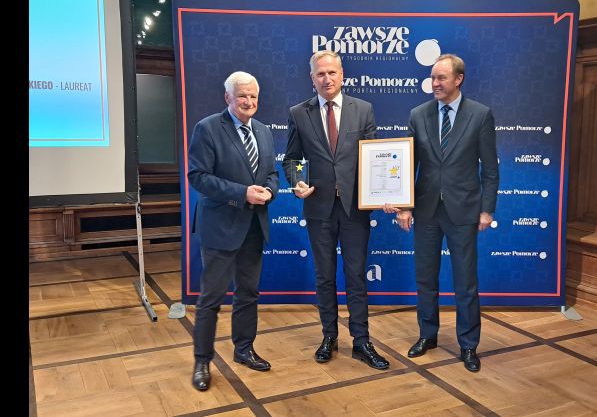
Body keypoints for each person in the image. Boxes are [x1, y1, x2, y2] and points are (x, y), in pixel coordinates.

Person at [384, 54, 499, 372]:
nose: (434, 83)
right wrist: (405, 205)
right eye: (432, 77)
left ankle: (468, 345)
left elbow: (490, 169)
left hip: (464, 211)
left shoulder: (480, 115)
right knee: (425, 279)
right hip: (427, 211)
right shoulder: (418, 114)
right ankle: (427, 335)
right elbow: (408, 165)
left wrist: (487, 209)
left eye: (441, 78)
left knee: (466, 283)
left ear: (458, 79)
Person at [282, 50, 389, 370]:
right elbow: (292, 159)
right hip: (319, 208)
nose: (326, 79)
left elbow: (374, 158)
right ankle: (329, 336)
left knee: (356, 276)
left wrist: (383, 191)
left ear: (342, 75)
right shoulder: (298, 113)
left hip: (355, 209)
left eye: (332, 72)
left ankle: (361, 341)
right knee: (324, 277)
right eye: (320, 74)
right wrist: (297, 181)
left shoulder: (364, 109)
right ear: (311, 78)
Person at [187, 71, 279, 391]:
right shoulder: (208, 128)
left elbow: (271, 173)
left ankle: (244, 350)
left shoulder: (264, 131)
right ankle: (202, 361)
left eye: (253, 96)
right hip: (220, 227)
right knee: (211, 299)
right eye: (242, 95)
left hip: (254, 227)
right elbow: (198, 177)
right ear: (228, 97)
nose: (248, 101)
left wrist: (269, 190)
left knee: (248, 294)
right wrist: (243, 193)